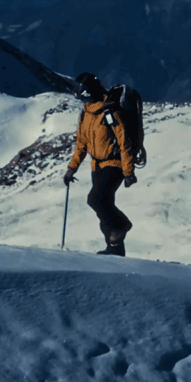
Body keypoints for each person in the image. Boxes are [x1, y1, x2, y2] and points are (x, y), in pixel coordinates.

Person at [63, 73, 137, 255]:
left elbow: (124, 141)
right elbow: (82, 143)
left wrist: (128, 171)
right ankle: (115, 250)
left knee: (96, 200)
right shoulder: (86, 113)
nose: (83, 101)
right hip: (96, 166)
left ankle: (123, 225)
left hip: (114, 164)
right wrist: (72, 168)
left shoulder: (109, 111)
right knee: (104, 211)